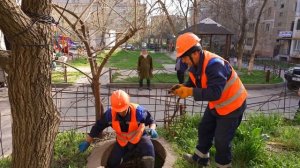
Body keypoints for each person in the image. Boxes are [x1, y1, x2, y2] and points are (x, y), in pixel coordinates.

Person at [169, 32, 247, 168]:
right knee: (204, 129)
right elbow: (195, 82)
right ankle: (200, 159)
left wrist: (190, 92)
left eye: (184, 57)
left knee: (221, 141)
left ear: (194, 53)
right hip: (217, 105)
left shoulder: (215, 65)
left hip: (233, 106)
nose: (183, 61)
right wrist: (183, 87)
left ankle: (224, 165)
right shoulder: (195, 65)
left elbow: (215, 93)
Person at [78, 89, 158, 168]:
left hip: (139, 137)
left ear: (128, 104)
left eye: (123, 109)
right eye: (119, 110)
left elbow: (151, 121)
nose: (121, 112)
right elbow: (98, 127)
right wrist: (87, 142)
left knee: (148, 150)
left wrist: (152, 129)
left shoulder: (138, 111)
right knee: (112, 163)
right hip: (122, 141)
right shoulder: (109, 115)